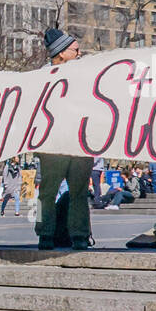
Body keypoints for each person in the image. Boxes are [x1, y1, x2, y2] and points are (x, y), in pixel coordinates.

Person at [35, 28, 92, 251]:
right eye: (75, 50)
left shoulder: (85, 75)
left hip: (80, 144)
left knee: (79, 192)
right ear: (61, 54)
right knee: (46, 192)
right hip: (53, 145)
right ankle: (44, 233)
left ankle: (79, 234)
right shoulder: (40, 78)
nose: (80, 53)